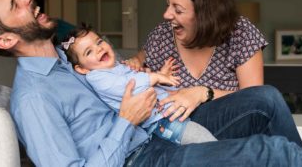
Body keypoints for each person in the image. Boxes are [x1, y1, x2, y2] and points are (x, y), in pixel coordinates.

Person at [0, 0, 302, 167]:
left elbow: (119, 74)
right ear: (7, 40)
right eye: (15, 5)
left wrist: (139, 71)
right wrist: (126, 121)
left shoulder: (68, 58)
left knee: (264, 99)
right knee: (270, 152)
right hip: (141, 158)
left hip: (159, 126)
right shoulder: (33, 99)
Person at [124, 0, 302, 144]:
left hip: (228, 125)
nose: (166, 14)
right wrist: (135, 62)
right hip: (175, 128)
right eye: (167, 5)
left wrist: (203, 93)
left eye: (178, 10)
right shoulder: (162, 35)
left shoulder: (240, 32)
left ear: (204, 14)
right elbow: (140, 59)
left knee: (267, 98)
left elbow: (252, 101)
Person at [62, 26, 217, 145]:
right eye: (89, 52)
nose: (99, 49)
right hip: (161, 121)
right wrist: (155, 77)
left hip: (168, 107)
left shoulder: (115, 66)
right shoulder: (97, 77)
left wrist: (161, 76)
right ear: (81, 69)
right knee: (200, 138)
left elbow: (141, 79)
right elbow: (129, 86)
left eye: (99, 42)